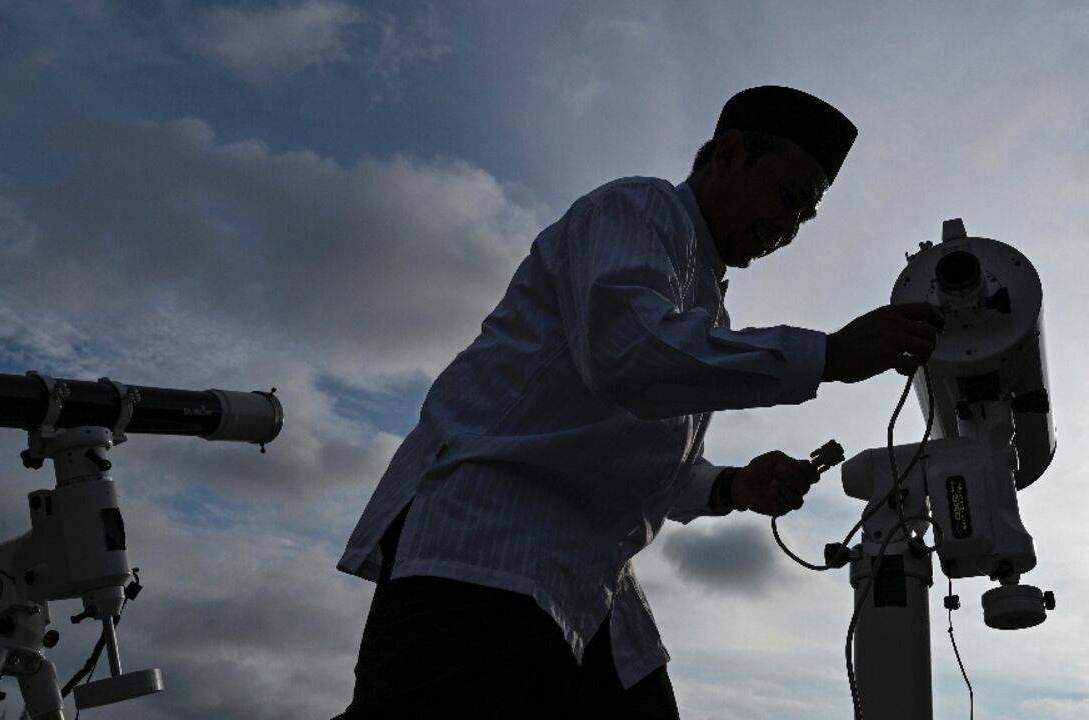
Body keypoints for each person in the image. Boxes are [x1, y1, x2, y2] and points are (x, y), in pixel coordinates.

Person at [332, 85, 945, 719]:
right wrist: (830, 356)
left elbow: (645, 455)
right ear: (728, 154)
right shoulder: (637, 207)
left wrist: (732, 485)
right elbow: (631, 355)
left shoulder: (704, 304)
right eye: (788, 199)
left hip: (590, 588)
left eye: (803, 218)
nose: (787, 229)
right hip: (489, 548)